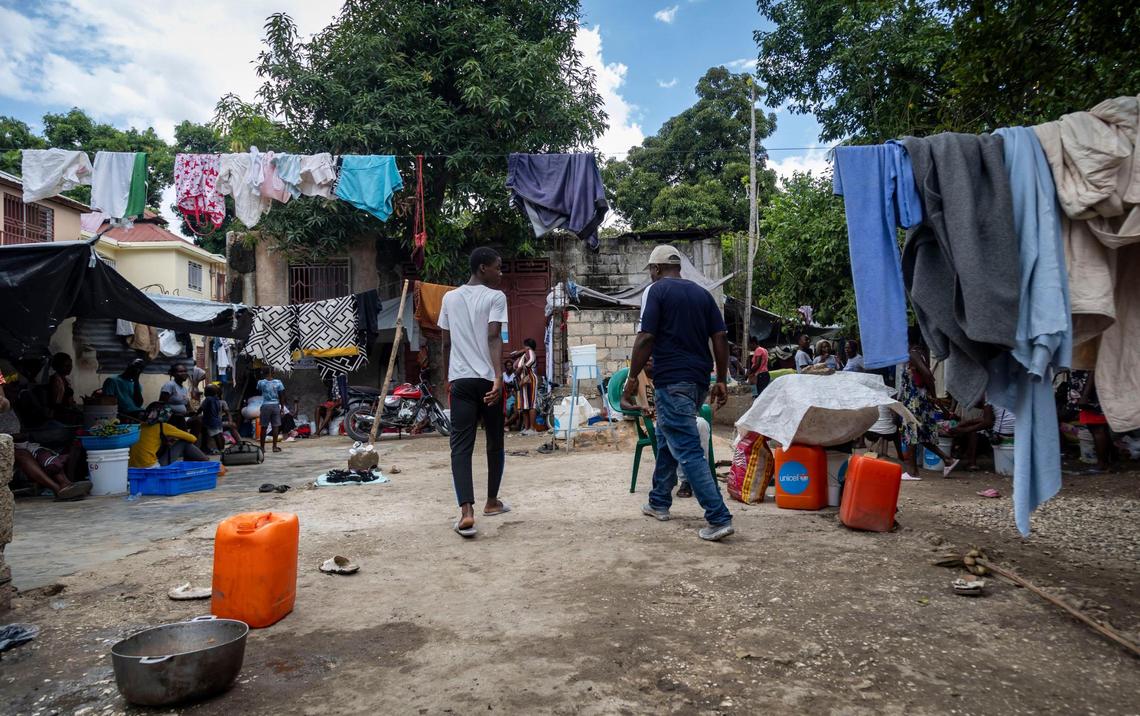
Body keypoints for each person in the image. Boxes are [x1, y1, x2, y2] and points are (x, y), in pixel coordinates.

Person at [622, 244, 734, 542]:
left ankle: (718, 516)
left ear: (656, 269)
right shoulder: (702, 294)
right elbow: (721, 337)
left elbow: (646, 336)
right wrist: (721, 379)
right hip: (698, 381)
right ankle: (659, 500)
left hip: (672, 380)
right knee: (669, 438)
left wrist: (632, 377)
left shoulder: (655, 291)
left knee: (686, 448)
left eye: (650, 270)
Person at [438, 246, 510, 538]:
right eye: (498, 267)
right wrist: (497, 377)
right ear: (483, 268)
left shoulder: (449, 298)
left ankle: (466, 511)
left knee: (461, 446)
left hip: (461, 382)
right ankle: (491, 502)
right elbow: (494, 336)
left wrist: (447, 378)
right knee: (494, 442)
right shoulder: (496, 297)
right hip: (486, 381)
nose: (501, 272)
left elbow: (445, 342)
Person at [900, 343, 957, 479]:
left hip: (915, 401)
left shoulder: (913, 354)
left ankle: (912, 472)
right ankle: (948, 459)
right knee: (921, 435)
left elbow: (927, 375)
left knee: (911, 433)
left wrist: (934, 396)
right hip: (919, 400)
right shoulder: (919, 354)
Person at [129, 402, 211, 468]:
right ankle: (208, 463)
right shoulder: (163, 426)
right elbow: (193, 438)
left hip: (132, 468)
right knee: (184, 443)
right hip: (151, 467)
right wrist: (173, 437)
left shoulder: (138, 426)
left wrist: (167, 439)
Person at [1072, 370, 1112, 473]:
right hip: (1093, 391)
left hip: (1091, 394)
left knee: (1097, 429)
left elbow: (1093, 369)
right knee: (1100, 428)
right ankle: (1106, 462)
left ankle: (1102, 464)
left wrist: (1085, 395)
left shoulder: (1089, 355)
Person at [510, 338, 539, 435]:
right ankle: (526, 428)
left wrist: (521, 368)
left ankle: (532, 428)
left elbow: (531, 360)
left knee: (531, 403)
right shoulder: (523, 354)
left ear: (526, 345)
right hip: (522, 382)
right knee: (525, 405)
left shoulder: (530, 352)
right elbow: (513, 360)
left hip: (529, 379)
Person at [256, 368, 287, 454]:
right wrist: (282, 408)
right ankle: (274, 447)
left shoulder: (261, 382)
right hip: (275, 405)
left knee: (264, 426)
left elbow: (259, 390)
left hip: (265, 405)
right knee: (275, 426)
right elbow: (282, 396)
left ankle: (262, 447)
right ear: (272, 373)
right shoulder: (278, 382)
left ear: (264, 373)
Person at [201, 384, 238, 453]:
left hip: (210, 422)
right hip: (218, 421)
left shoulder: (207, 400)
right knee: (219, 434)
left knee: (216, 435)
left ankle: (220, 449)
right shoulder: (217, 401)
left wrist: (196, 413)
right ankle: (222, 448)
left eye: (205, 391)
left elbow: (201, 408)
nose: (204, 393)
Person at [46, 352, 82, 424]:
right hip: (59, 415)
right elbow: (55, 404)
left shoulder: (65, 380)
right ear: (58, 366)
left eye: (70, 365)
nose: (69, 368)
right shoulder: (55, 380)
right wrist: (72, 410)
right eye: (66, 366)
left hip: (66, 412)